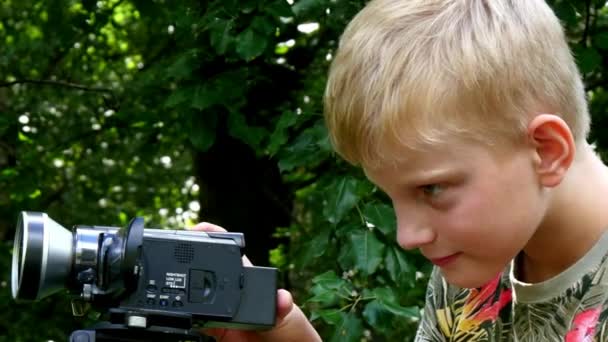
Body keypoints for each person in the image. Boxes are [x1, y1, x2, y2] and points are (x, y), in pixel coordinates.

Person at [196, 0, 608, 340]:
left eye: (431, 189)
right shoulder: (475, 270)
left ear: (547, 151)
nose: (408, 236)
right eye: (389, 195)